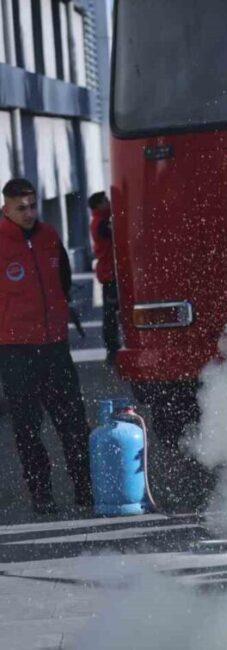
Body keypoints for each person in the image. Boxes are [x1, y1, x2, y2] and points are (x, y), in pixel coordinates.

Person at [0, 178, 92, 513]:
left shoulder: (49, 237)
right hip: (15, 350)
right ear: (6, 208)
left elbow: (63, 281)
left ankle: (85, 490)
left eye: (32, 206)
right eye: (21, 208)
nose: (28, 213)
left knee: (72, 423)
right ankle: (42, 495)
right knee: (27, 429)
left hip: (54, 347)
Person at [88, 192, 119, 364]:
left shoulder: (101, 221)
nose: (109, 202)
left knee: (111, 313)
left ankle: (113, 348)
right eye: (105, 201)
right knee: (110, 314)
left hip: (108, 272)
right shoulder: (101, 224)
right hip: (109, 273)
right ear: (98, 205)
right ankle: (112, 350)